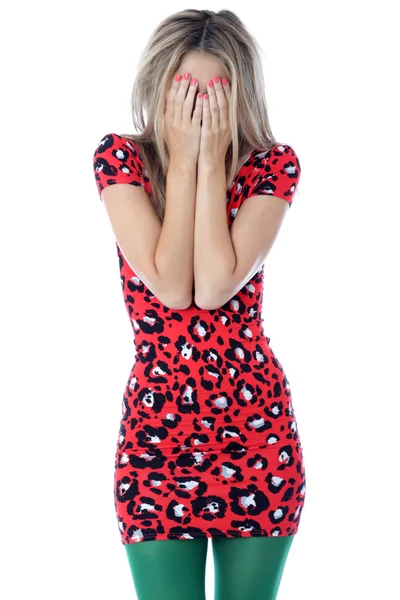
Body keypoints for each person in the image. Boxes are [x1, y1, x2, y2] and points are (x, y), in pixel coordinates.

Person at [92, 8, 306, 600]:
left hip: (257, 437)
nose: (202, 110)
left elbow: (213, 286)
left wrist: (210, 162)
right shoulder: (121, 160)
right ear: (159, 88)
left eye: (216, 94)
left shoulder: (273, 165)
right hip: (155, 440)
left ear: (241, 94)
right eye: (187, 92)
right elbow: (168, 283)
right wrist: (183, 160)